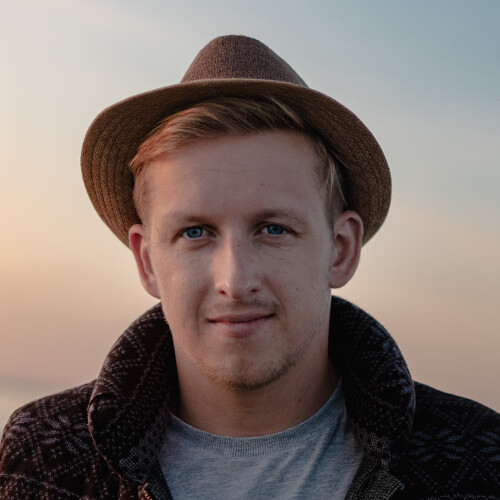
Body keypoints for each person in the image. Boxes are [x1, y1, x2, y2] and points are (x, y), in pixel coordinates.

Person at [0, 35, 498, 500]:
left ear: (341, 249)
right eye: (194, 232)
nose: (235, 282)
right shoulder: (42, 456)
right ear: (147, 261)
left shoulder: (481, 459)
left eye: (273, 229)